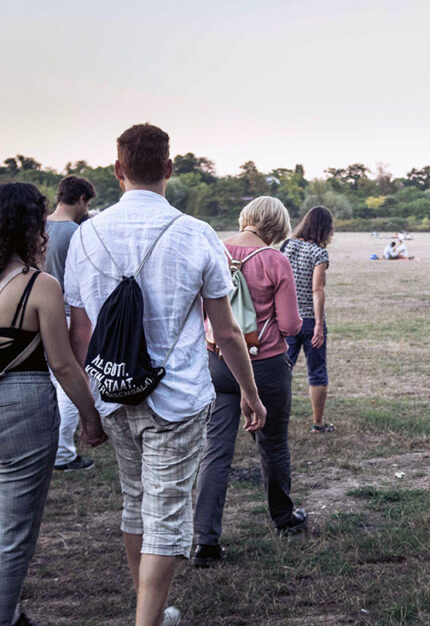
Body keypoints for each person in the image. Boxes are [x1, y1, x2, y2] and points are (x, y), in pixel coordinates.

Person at [65, 124, 266, 626]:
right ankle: (148, 619)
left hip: (113, 393)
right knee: (169, 513)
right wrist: (249, 392)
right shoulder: (196, 233)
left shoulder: (87, 234)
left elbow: (81, 333)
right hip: (176, 395)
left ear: (117, 170)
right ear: (170, 170)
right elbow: (226, 329)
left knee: (136, 504)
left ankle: (147, 603)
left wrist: (91, 407)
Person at [0, 182, 106, 626]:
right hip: (22, 400)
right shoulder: (38, 286)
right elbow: (63, 366)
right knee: (15, 530)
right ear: (30, 229)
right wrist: (90, 416)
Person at [193, 197, 306, 568]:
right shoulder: (276, 260)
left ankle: (205, 540)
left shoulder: (215, 249)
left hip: (219, 361)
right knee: (273, 444)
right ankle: (283, 517)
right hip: (266, 363)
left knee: (216, 450)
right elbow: (289, 325)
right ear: (278, 225)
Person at [45, 174, 99, 472]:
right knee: (70, 383)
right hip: (67, 314)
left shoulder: (37, 228)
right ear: (81, 199)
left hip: (34, 316)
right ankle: (63, 454)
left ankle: (50, 449)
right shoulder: (77, 234)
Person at [282, 206, 335, 433]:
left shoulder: (286, 246)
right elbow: (317, 290)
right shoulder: (319, 253)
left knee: (282, 370)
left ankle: (272, 419)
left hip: (286, 317)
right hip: (310, 320)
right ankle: (318, 423)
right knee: (317, 371)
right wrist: (319, 325)